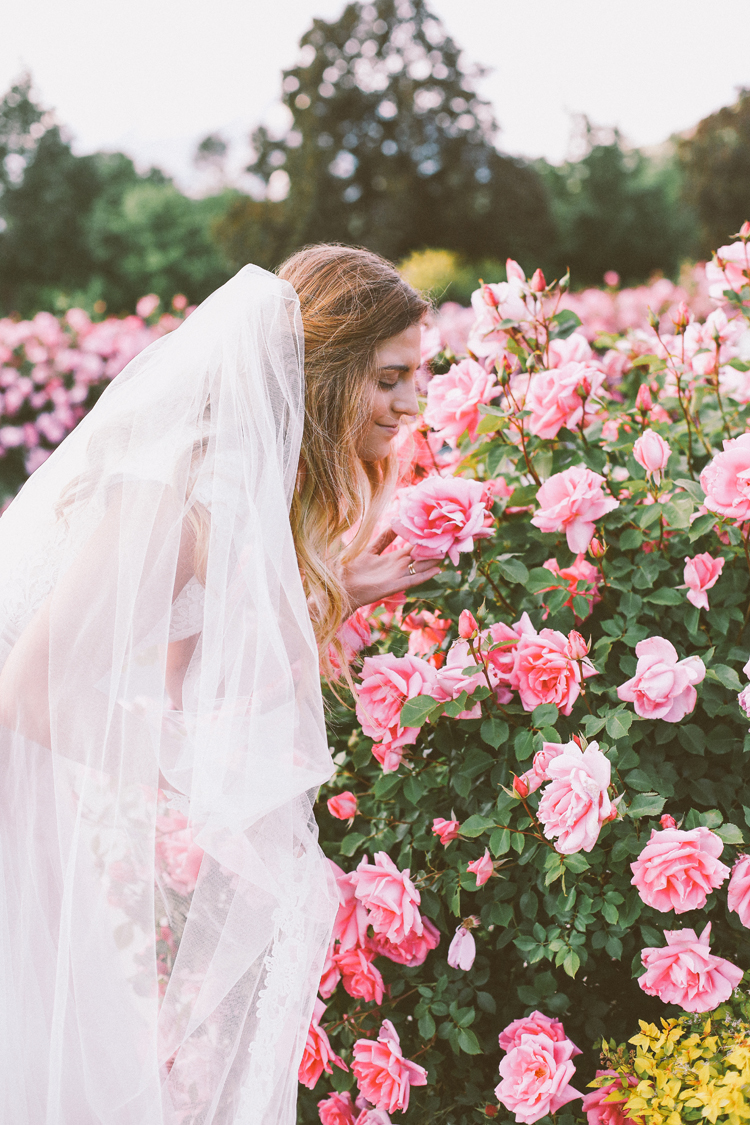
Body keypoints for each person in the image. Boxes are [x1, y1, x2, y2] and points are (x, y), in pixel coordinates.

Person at [0, 245, 439, 1124]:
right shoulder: (179, 489)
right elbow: (29, 693)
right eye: (391, 378)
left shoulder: (252, 481)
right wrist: (184, 796)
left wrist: (330, 593)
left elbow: (177, 648)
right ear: (327, 373)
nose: (412, 403)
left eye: (419, 376)